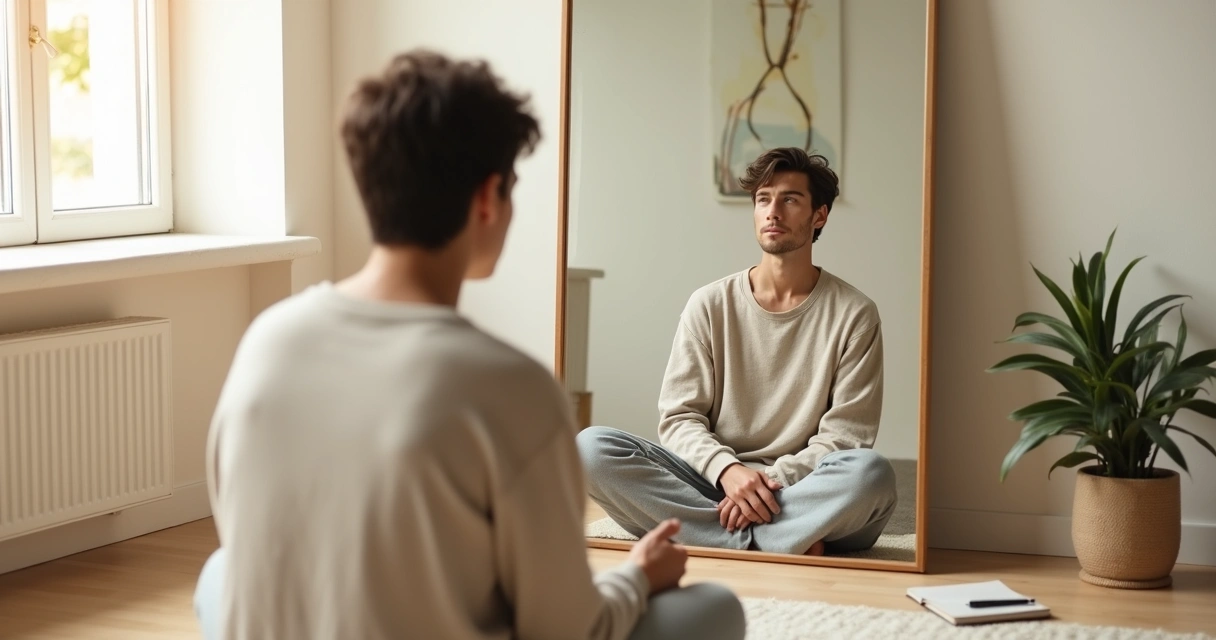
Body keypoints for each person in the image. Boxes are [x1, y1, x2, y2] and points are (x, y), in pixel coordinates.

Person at [192, 50, 745, 640]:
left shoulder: (267, 339)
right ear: (487, 198)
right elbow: (567, 629)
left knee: (220, 573)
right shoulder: (511, 387)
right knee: (714, 608)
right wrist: (636, 576)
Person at [577, 148, 897, 557]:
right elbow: (680, 418)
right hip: (712, 480)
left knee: (870, 475)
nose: (773, 212)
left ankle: (712, 533)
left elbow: (845, 437)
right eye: (763, 199)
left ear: (819, 216)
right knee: (590, 449)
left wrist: (767, 485)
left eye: (790, 199)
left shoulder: (855, 314)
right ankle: (785, 537)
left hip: (802, 486)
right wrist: (728, 471)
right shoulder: (709, 304)